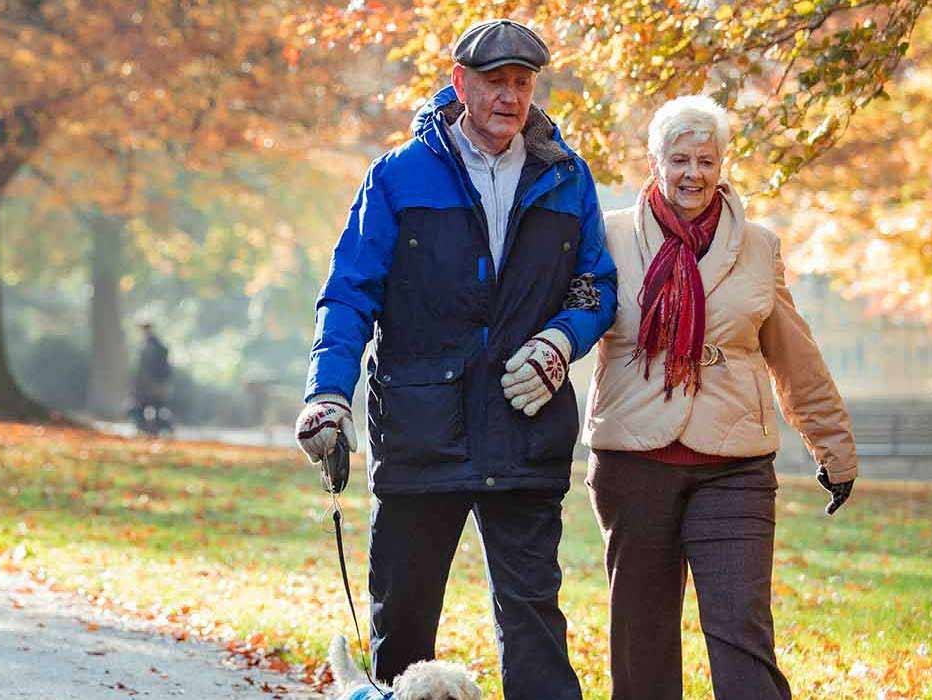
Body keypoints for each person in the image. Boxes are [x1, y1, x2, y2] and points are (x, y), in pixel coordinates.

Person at [295, 19, 618, 699]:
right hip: (422, 432)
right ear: (459, 83)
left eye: (522, 83)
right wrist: (327, 394)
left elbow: (596, 288)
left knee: (535, 629)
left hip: (524, 432)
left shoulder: (567, 178)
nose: (510, 96)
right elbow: (350, 292)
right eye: (495, 81)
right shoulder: (398, 176)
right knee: (403, 631)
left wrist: (560, 343)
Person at [582, 95, 858, 700]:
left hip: (734, 465)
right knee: (642, 635)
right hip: (634, 458)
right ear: (654, 163)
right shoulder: (607, 237)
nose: (693, 174)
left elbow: (795, 353)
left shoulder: (758, 245)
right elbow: (572, 323)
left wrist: (833, 447)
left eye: (706, 160)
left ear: (722, 164)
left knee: (741, 629)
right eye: (679, 159)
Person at [132, 322, 174, 436]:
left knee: (146, 407)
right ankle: (159, 430)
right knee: (157, 407)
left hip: (150, 384)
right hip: (158, 383)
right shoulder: (159, 345)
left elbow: (144, 368)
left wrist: (140, 384)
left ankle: (149, 430)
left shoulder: (149, 346)